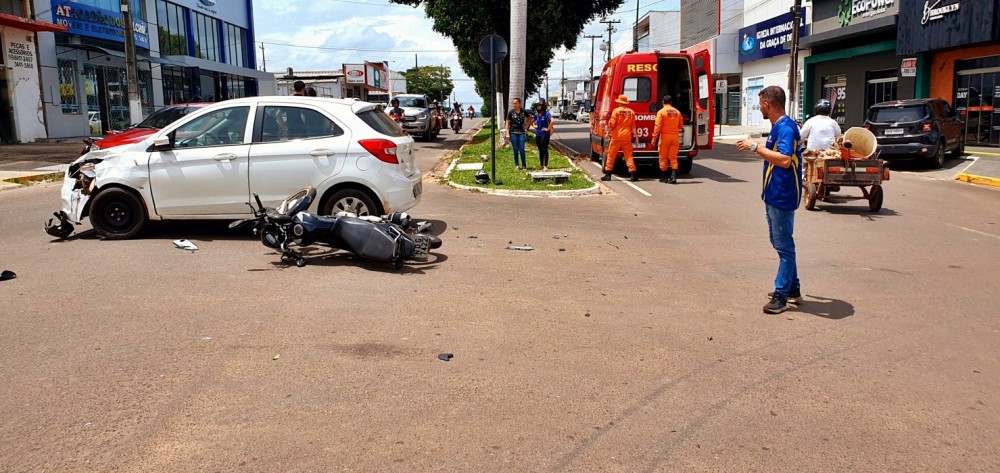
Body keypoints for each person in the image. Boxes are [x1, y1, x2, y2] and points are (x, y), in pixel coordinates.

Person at [736, 86, 803, 315]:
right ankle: (793, 288)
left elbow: (784, 159)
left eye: (760, 105)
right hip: (774, 194)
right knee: (780, 243)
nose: (760, 109)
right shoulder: (779, 127)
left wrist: (755, 147)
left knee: (784, 246)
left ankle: (781, 295)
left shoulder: (786, 128)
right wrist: (757, 144)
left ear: (767, 104)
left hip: (782, 195)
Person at [602, 94, 639, 182]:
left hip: (616, 136)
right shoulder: (631, 112)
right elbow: (633, 126)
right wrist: (636, 137)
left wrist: (608, 133)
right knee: (628, 155)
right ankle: (632, 174)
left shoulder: (616, 111)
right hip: (627, 136)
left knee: (611, 155)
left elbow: (612, 124)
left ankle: (608, 174)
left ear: (619, 102)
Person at [651, 94, 683, 184]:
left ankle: (664, 176)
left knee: (663, 157)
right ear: (671, 102)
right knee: (673, 157)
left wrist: (654, 138)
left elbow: (657, 126)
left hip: (665, 137)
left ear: (663, 102)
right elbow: (680, 126)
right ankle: (673, 176)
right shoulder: (677, 112)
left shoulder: (661, 112)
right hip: (675, 137)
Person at [505, 98, 531, 170]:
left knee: (522, 149)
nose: (514, 105)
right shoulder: (511, 112)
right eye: (513, 103)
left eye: (516, 103)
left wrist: (527, 125)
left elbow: (529, 118)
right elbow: (507, 123)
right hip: (513, 132)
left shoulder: (524, 111)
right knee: (515, 149)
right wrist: (507, 133)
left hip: (521, 132)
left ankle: (524, 165)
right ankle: (516, 165)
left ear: (519, 103)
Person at [532, 100, 554, 171]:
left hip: (545, 134)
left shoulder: (546, 114)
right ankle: (541, 165)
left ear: (543, 106)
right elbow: (532, 121)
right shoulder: (536, 114)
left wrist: (548, 129)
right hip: (538, 133)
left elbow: (552, 121)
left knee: (545, 149)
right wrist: (534, 125)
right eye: (537, 105)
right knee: (540, 150)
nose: (538, 107)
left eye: (539, 105)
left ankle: (545, 165)